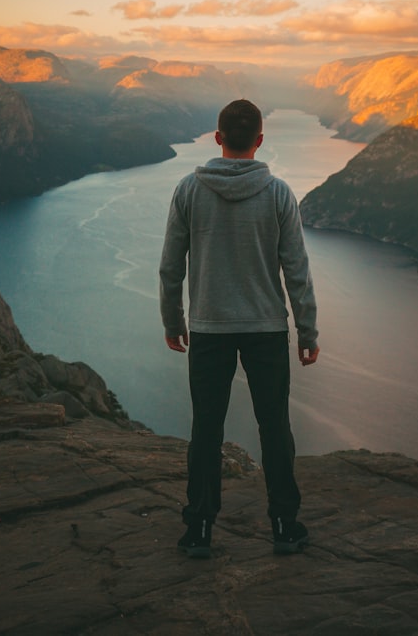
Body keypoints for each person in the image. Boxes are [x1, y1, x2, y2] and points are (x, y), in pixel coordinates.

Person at [159, 98, 319, 558]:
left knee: (206, 430)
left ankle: (200, 529)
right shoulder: (278, 193)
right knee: (274, 427)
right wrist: (307, 333)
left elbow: (171, 266)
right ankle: (285, 526)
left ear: (217, 138)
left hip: (209, 329)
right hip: (267, 329)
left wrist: (174, 321)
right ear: (260, 141)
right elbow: (297, 271)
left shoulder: (189, 190)